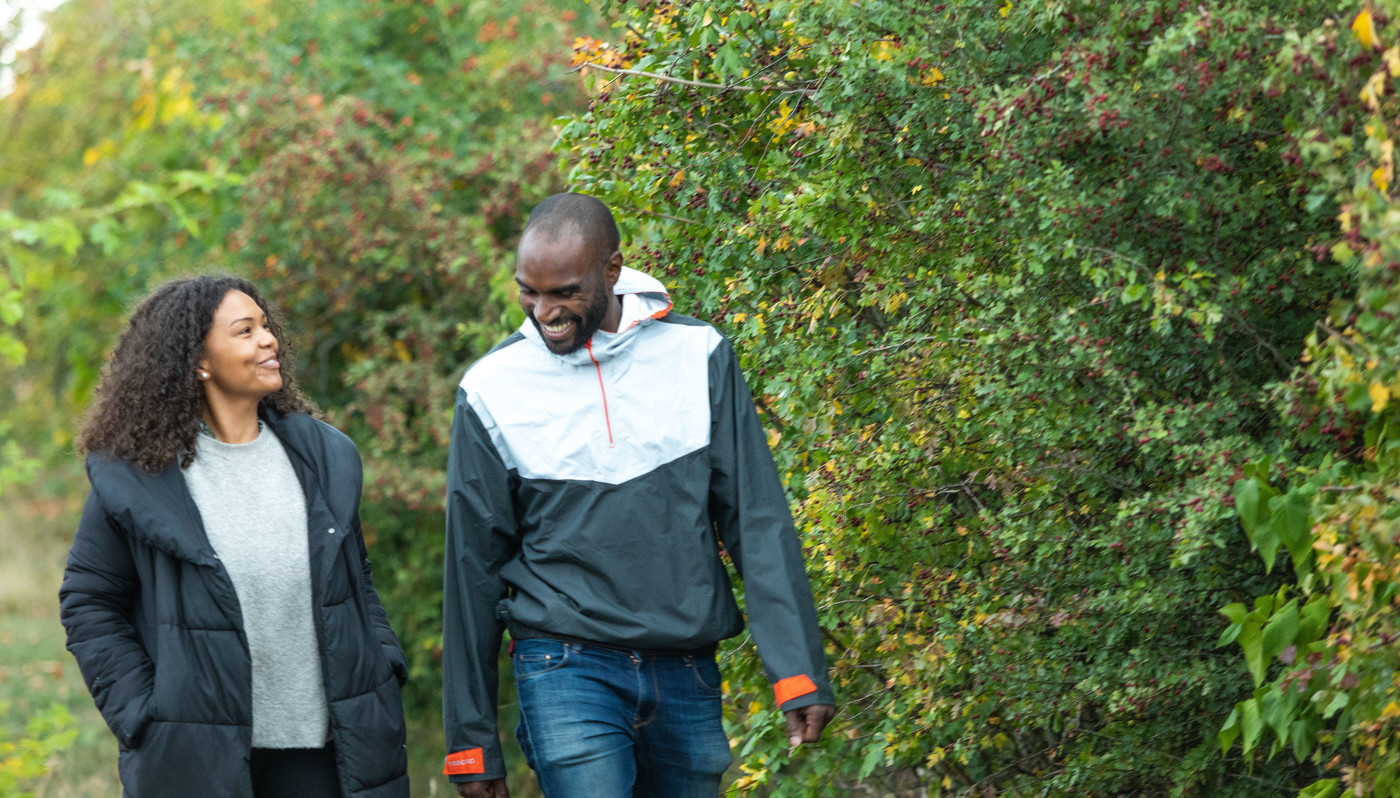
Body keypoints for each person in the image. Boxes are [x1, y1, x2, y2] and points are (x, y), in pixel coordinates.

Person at [442, 193, 836, 798]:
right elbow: (472, 571)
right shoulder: (493, 389)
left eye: (564, 292)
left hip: (685, 669)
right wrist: (470, 742)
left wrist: (797, 669)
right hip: (563, 666)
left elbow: (756, 520)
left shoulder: (698, 355)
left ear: (612, 271)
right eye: (529, 291)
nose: (543, 311)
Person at [59, 275, 410, 798]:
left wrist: (382, 661)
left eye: (266, 327)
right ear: (198, 361)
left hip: (333, 754)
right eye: (245, 331)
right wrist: (143, 712)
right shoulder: (140, 478)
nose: (268, 340)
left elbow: (355, 578)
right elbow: (89, 602)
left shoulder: (324, 457)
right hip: (199, 759)